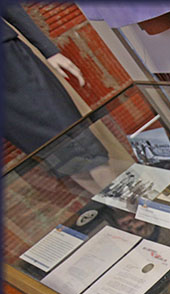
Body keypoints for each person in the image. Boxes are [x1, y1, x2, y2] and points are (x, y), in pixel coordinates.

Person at [2, 4, 108, 176]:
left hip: (11, 64)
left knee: (80, 144)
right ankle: (113, 201)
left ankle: (131, 199)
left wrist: (49, 50)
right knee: (52, 155)